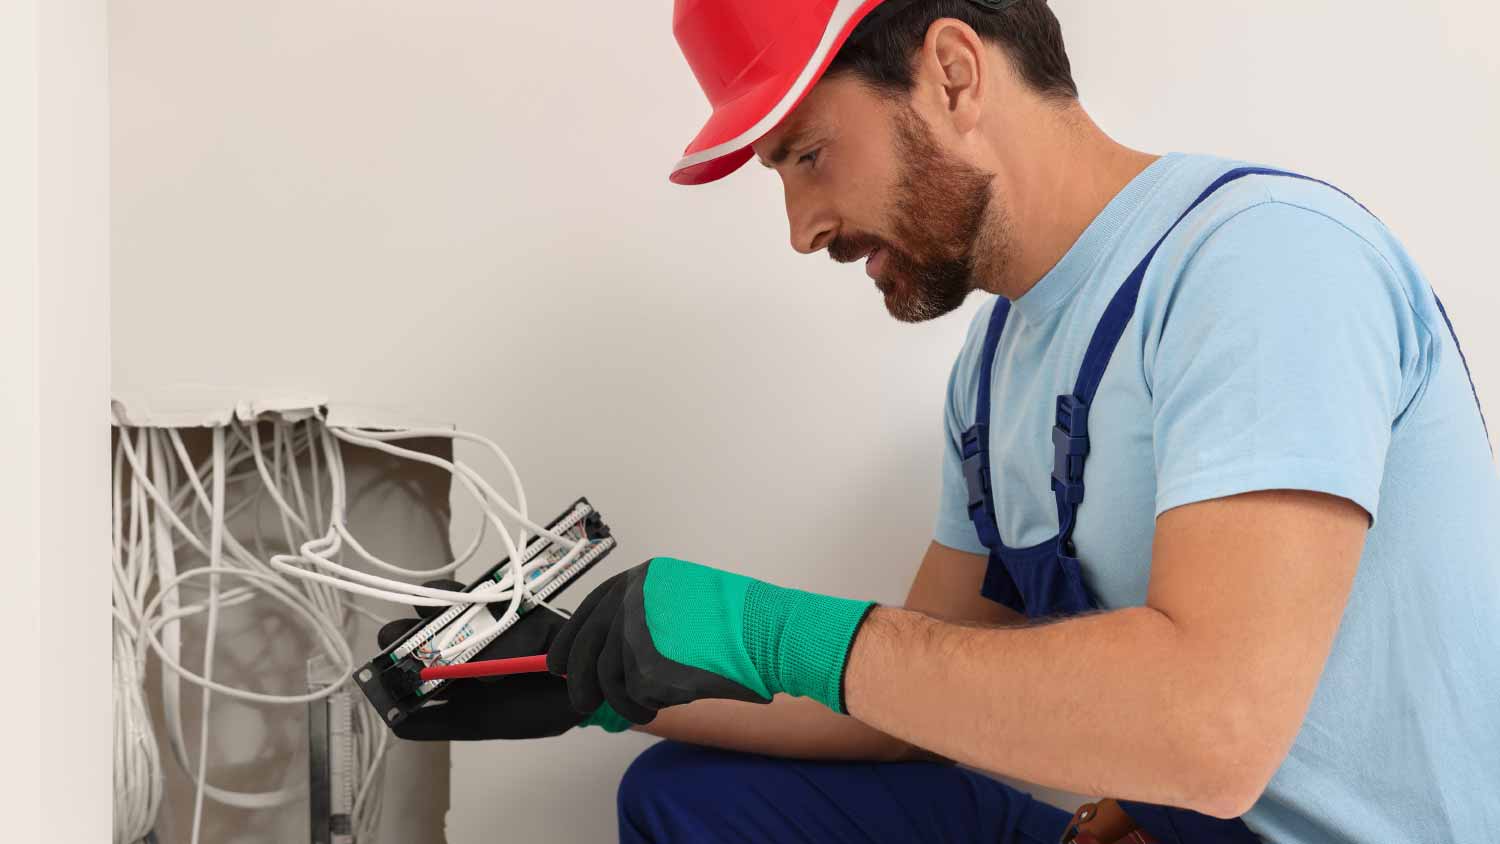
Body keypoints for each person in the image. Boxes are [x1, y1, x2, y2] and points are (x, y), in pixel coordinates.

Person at [377, 1, 1500, 841]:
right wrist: (600, 679)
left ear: (955, 74)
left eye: (807, 153)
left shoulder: (1260, 266)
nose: (801, 225)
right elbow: (904, 706)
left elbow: (1212, 731)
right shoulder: (996, 366)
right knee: (694, 800)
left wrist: (764, 627)